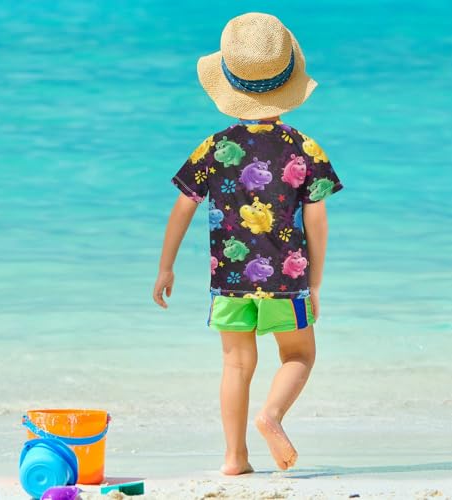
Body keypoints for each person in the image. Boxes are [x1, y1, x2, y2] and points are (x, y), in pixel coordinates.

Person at [153, 12, 344, 475]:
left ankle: (235, 458)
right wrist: (315, 282)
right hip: (287, 279)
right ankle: (271, 414)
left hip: (230, 280)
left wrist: (166, 267)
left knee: (236, 365)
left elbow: (182, 208)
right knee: (299, 355)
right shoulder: (305, 149)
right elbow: (317, 222)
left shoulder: (213, 148)